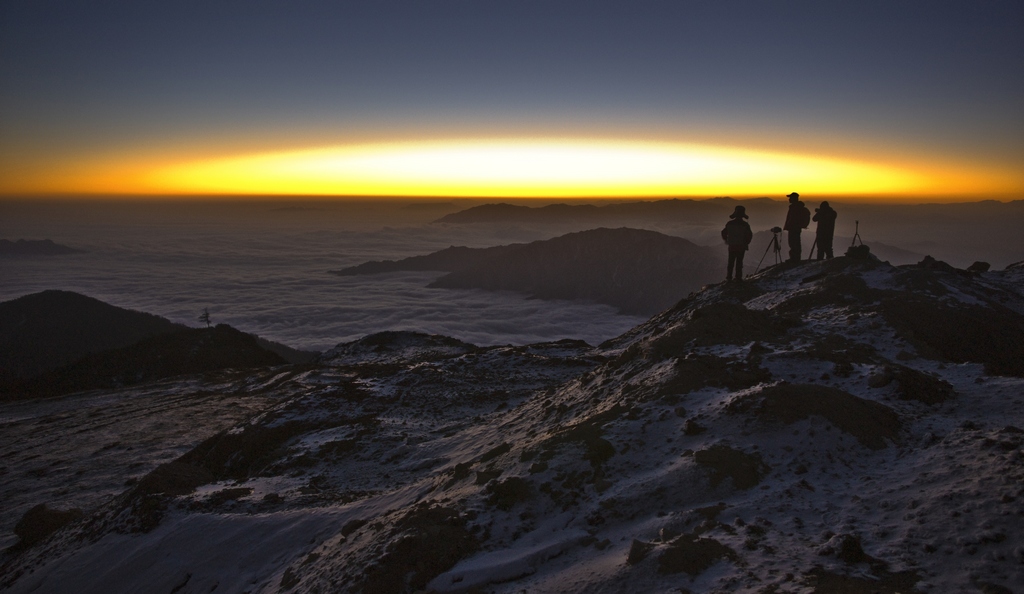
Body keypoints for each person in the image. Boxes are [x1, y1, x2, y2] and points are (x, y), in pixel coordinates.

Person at [721, 205, 753, 281]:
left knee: (731, 262)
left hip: (732, 246)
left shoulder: (730, 223)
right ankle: (738, 278)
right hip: (741, 247)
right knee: (739, 262)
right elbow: (749, 235)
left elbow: (723, 232)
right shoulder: (745, 225)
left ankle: (729, 277)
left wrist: (727, 240)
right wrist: (746, 243)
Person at [782, 192, 810, 262]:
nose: (789, 199)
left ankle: (795, 258)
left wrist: (790, 225)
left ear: (794, 199)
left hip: (794, 228)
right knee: (794, 243)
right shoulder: (796, 207)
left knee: (794, 243)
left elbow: (793, 218)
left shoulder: (795, 208)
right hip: (795, 228)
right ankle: (795, 258)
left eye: (790, 198)